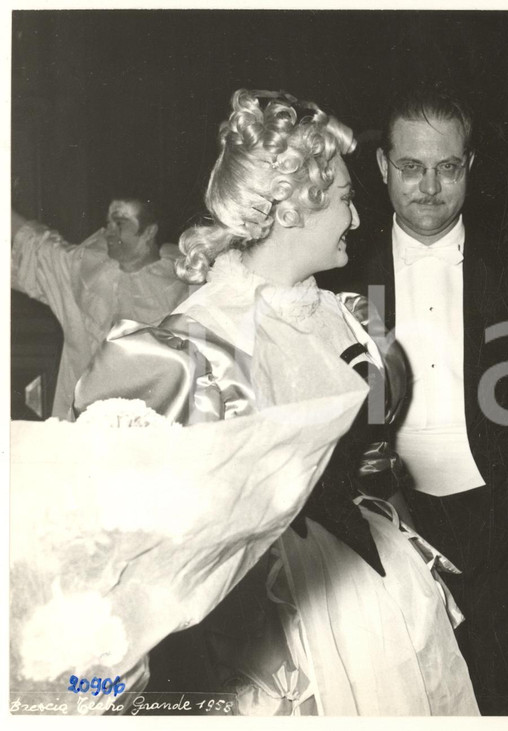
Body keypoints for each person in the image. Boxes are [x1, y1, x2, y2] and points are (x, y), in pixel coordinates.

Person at [73, 89, 479, 716]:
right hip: (280, 609)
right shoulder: (204, 338)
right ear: (293, 210)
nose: (355, 218)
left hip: (374, 577)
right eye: (345, 199)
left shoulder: (345, 317)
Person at [358, 85, 508, 715]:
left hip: (499, 530)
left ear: (470, 167)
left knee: (503, 701)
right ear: (384, 167)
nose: (429, 186)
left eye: (447, 167)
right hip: (384, 529)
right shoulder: (340, 279)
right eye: (411, 167)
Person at [11, 198, 189, 418]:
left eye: (120, 223)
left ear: (149, 231)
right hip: (86, 416)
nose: (109, 232)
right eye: (108, 224)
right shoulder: (88, 271)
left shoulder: (179, 285)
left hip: (152, 419)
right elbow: (41, 247)